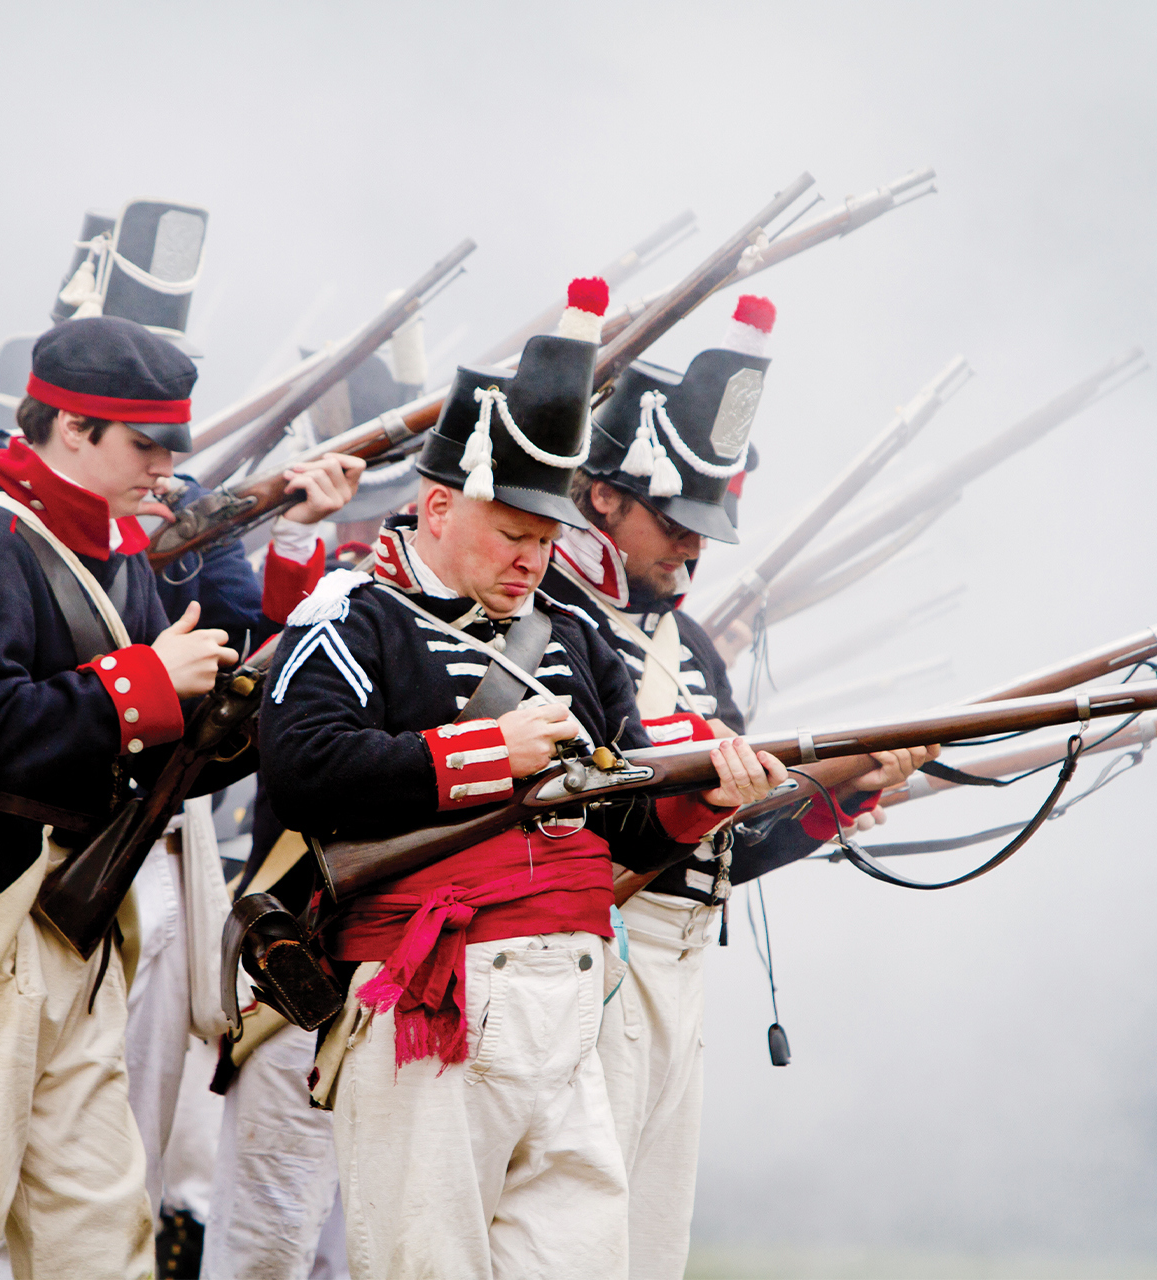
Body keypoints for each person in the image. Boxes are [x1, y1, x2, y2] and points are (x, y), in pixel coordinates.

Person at [257, 279, 788, 1280]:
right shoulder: (352, 614)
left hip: (574, 999)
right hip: (430, 996)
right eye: (512, 535)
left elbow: (626, 823)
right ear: (439, 505)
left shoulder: (575, 635)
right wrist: (480, 756)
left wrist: (708, 797)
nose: (533, 561)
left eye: (545, 540)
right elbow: (302, 768)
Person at [0, 315, 264, 1279]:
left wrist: (241, 720)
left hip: (72, 922)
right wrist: (146, 682)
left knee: (99, 1236)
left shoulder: (112, 550)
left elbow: (142, 753)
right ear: (72, 426)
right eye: (145, 445)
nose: (165, 469)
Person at [543, 294, 934, 1279]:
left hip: (678, 963)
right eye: (675, 521)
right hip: (580, 960)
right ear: (604, 497)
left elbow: (720, 847)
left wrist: (837, 796)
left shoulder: (688, 647)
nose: (693, 546)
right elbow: (591, 819)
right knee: (569, 1246)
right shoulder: (546, 622)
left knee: (647, 1252)